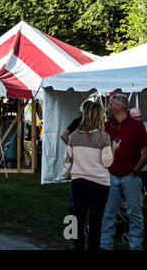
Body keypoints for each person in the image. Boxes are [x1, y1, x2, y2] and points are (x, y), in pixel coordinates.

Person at [100, 94, 147, 250]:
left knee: (135, 214)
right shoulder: (107, 126)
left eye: (111, 105)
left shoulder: (137, 126)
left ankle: (136, 246)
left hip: (130, 177)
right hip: (111, 176)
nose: (108, 108)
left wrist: (135, 171)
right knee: (108, 213)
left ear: (119, 106)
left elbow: (145, 152)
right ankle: (105, 246)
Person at [67, 102, 115, 250]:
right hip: (98, 182)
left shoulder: (74, 135)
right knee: (96, 221)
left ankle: (78, 247)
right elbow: (107, 162)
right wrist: (114, 149)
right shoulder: (103, 137)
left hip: (78, 180)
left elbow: (68, 157)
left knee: (77, 218)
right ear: (99, 116)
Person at [61, 100, 93, 215]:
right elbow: (63, 136)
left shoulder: (81, 121)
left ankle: (75, 222)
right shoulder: (82, 122)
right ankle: (76, 221)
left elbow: (64, 136)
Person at [129, 108, 147, 205]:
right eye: (135, 117)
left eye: (140, 116)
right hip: (136, 168)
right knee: (139, 191)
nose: (138, 119)